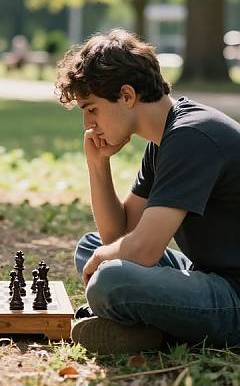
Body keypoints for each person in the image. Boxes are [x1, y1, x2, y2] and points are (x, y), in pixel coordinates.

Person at [55, 29, 240, 354]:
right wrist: (98, 166)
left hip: (234, 297)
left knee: (111, 278)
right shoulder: (166, 140)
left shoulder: (192, 136)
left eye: (92, 108)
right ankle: (152, 329)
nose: (88, 123)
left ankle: (154, 331)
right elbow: (117, 235)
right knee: (92, 246)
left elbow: (143, 252)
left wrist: (105, 260)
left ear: (127, 96)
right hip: (208, 274)